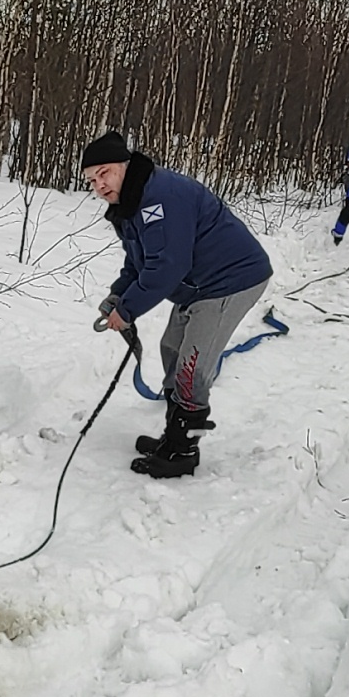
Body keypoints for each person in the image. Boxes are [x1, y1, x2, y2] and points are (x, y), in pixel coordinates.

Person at [82, 131, 272, 478]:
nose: (99, 185)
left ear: (125, 166)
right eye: (92, 179)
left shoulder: (161, 197)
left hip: (231, 279)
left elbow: (167, 265)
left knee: (191, 367)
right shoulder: (130, 204)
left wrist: (126, 311)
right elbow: (138, 262)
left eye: (104, 173)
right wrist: (117, 297)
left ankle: (184, 449)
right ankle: (173, 436)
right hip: (197, 286)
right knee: (172, 348)